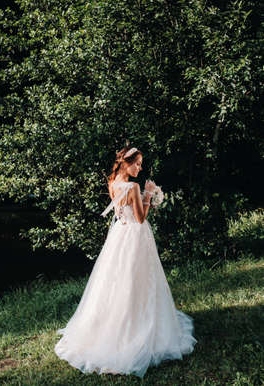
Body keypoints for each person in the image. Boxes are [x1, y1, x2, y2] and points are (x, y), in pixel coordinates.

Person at [54, 146, 197, 378]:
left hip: (119, 235)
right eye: (137, 163)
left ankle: (110, 325)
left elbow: (122, 211)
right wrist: (149, 194)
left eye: (141, 164)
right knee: (138, 280)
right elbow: (140, 218)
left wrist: (144, 196)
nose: (140, 168)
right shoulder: (133, 186)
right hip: (135, 236)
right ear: (125, 163)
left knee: (115, 281)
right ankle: (136, 326)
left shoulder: (112, 183)